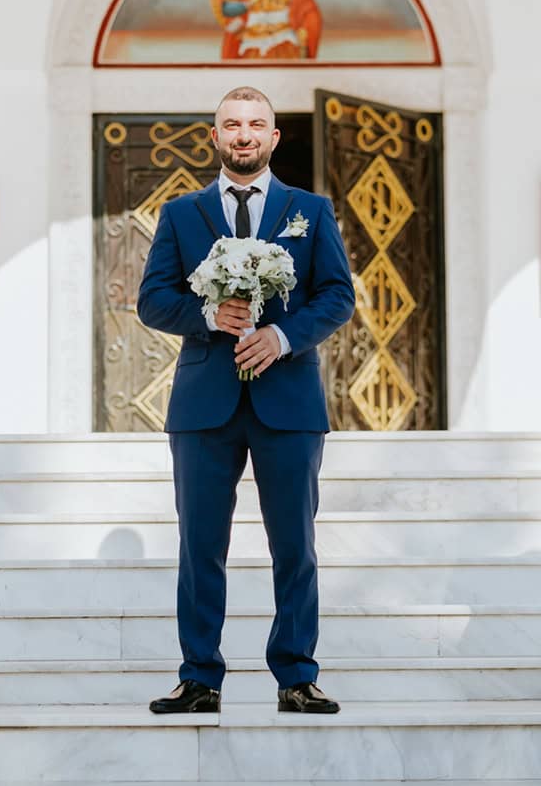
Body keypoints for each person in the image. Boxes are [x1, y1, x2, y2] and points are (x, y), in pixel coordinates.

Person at [137, 86, 355, 713]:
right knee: (200, 545)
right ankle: (200, 677)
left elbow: (337, 295)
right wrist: (210, 315)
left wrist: (283, 336)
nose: (244, 134)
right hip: (205, 406)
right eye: (232, 124)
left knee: (295, 545)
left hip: (289, 402)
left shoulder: (309, 209)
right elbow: (152, 300)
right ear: (215, 135)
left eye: (256, 124)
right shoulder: (181, 213)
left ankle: (296, 675)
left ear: (273, 138)